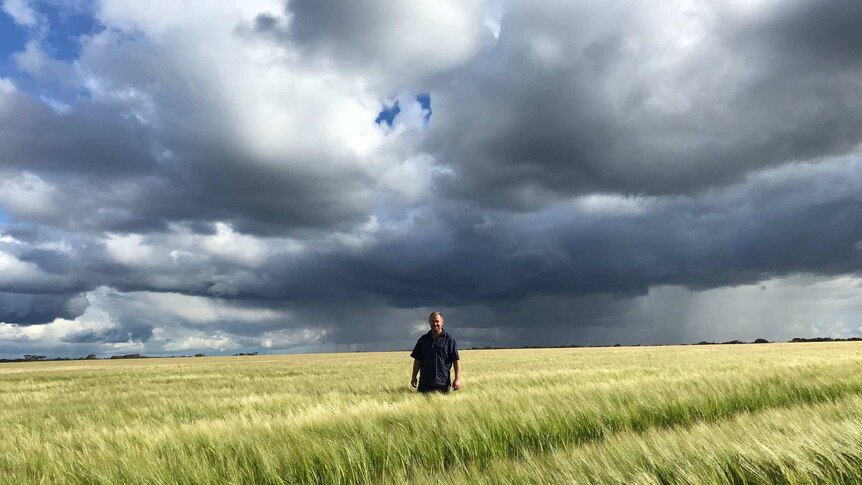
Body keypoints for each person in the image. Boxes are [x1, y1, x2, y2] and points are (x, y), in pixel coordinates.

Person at [410, 311, 461, 393]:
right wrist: (414, 377)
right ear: (429, 322)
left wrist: (457, 379)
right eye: (432, 321)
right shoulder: (423, 340)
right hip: (424, 383)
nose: (435, 323)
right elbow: (418, 360)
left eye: (437, 321)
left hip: (442, 384)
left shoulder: (449, 340)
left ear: (442, 322)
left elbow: (456, 361)